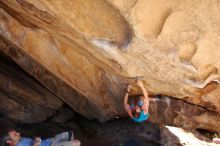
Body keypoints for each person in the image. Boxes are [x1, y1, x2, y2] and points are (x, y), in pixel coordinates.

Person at [1, 129, 80, 146]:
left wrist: (36, 139)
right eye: (15, 134)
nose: (18, 133)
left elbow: (33, 140)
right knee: (76, 143)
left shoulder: (20, 139)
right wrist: (35, 144)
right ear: (9, 141)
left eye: (17, 132)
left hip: (49, 141)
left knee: (70, 134)